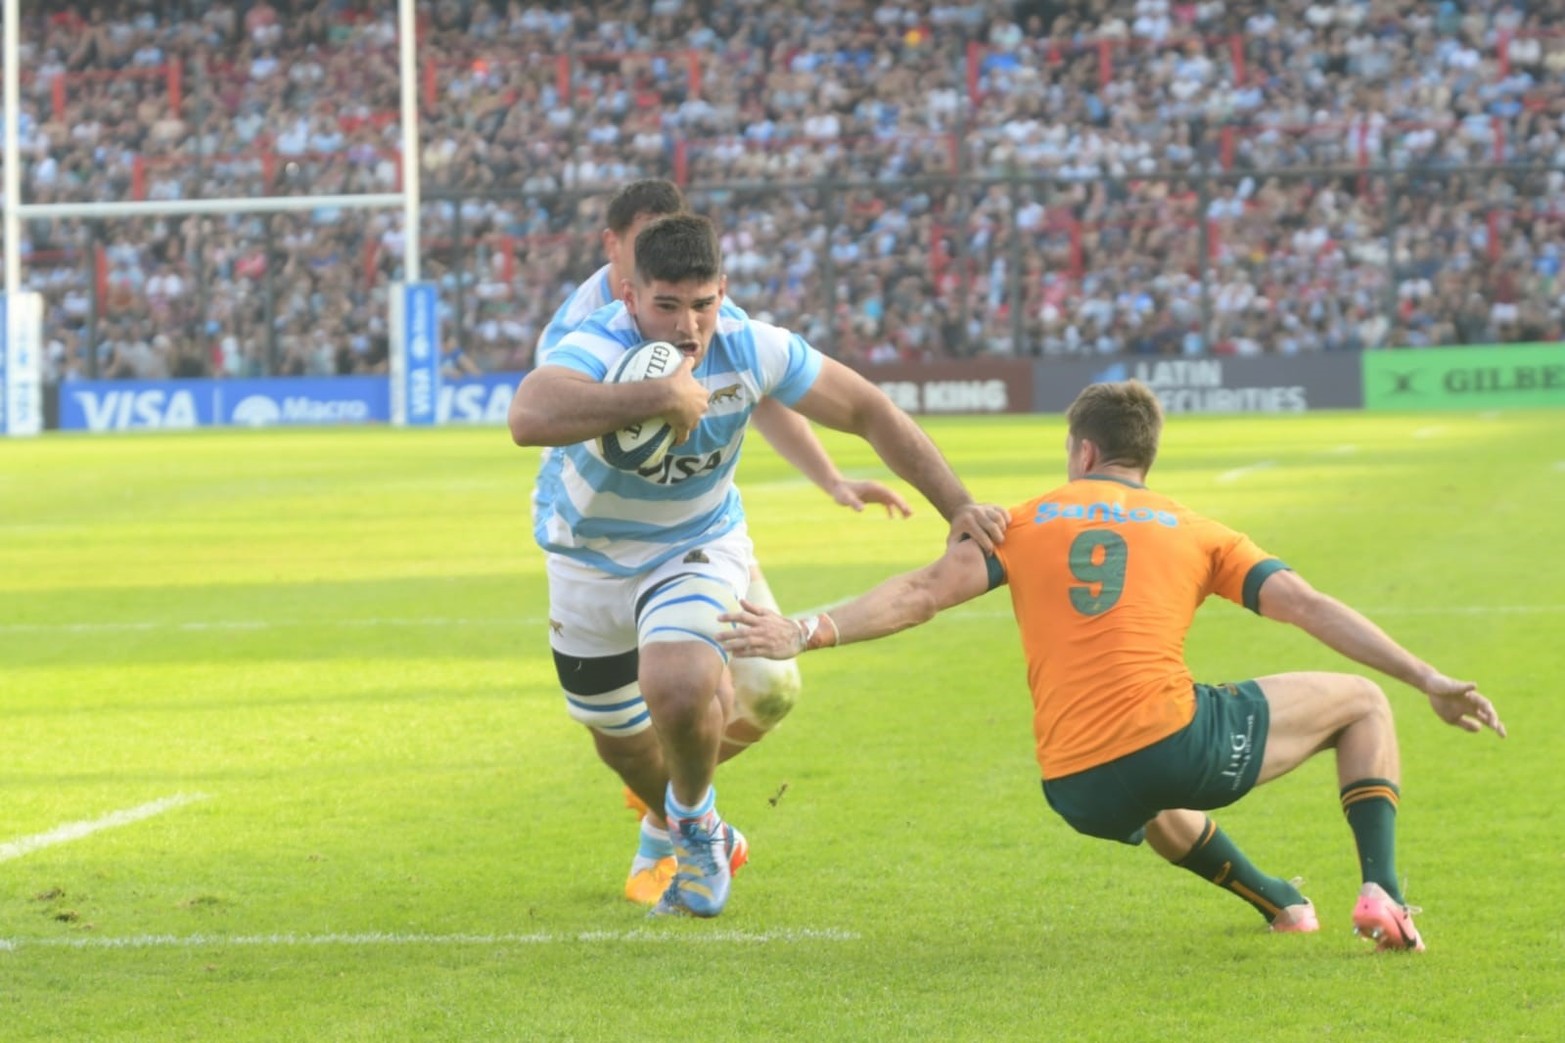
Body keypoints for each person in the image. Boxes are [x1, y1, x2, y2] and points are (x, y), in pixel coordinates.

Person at [719, 379, 1506, 950]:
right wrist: (1426, 676)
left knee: (1149, 780)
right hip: (1176, 744)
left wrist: (805, 629)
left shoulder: (1020, 524)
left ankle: (1281, 903)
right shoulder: (1199, 530)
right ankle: (1385, 895)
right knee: (1364, 700)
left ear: (1082, 449)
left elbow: (920, 593)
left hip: (1076, 786)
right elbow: (1309, 606)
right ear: (1143, 456)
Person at [509, 212, 1008, 918]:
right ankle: (696, 825)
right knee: (620, 746)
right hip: (586, 561)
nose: (689, 325)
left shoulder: (752, 345)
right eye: (668, 305)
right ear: (631, 299)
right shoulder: (593, 339)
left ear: (724, 291)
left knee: (679, 685)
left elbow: (867, 408)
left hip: (695, 543)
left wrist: (955, 503)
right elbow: (527, 416)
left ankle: (689, 835)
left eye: (704, 303)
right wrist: (659, 394)